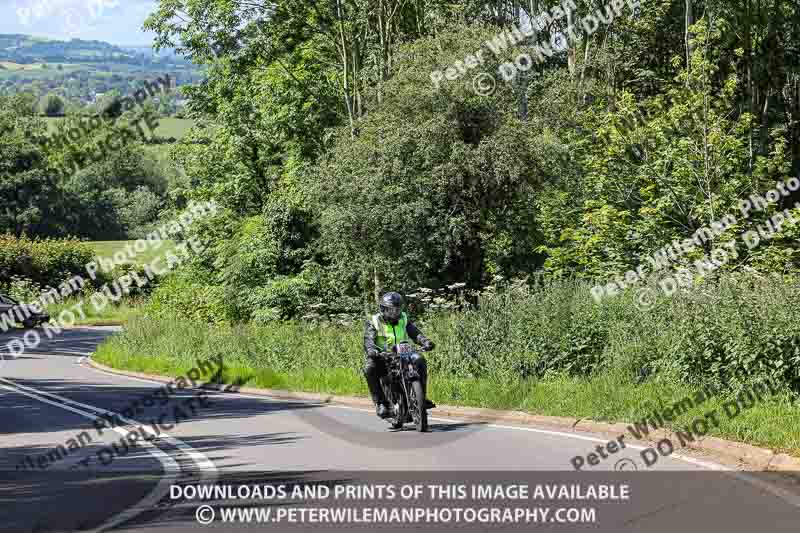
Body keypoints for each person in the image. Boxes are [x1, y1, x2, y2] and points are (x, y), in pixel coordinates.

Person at [363, 292, 436, 419]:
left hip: (404, 353)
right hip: (383, 355)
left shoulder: (403, 318)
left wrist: (425, 341)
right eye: (391, 310)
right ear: (383, 309)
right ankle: (380, 403)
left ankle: (421, 398)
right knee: (369, 368)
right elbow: (368, 339)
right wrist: (371, 349)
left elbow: (415, 333)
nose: (395, 313)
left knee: (420, 359)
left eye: (397, 309)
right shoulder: (375, 321)